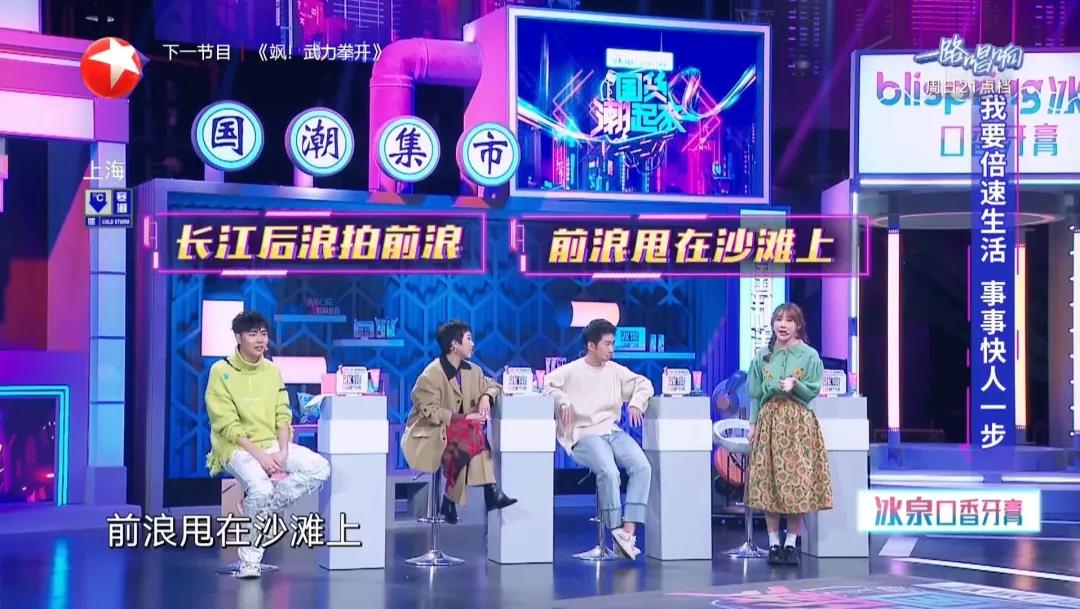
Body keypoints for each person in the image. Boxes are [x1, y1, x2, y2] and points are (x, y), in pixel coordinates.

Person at [205, 310, 331, 579]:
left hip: (272, 442)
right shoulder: (220, 371)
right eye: (253, 334)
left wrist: (283, 450)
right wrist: (261, 457)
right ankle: (250, 560)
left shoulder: (272, 370)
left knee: (319, 467)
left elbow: (282, 414)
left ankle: (262, 509)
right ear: (238, 337)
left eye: (263, 334)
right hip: (235, 447)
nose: (260, 340)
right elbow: (226, 424)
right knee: (260, 488)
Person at [544, 319, 655, 560]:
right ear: (591, 346)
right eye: (607, 344)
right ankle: (615, 530)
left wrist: (636, 403)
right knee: (609, 471)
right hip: (583, 432)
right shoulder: (572, 370)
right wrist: (563, 401)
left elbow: (644, 384)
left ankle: (627, 533)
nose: (611, 349)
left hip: (611, 431)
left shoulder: (615, 370)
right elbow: (548, 384)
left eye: (613, 344)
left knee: (642, 467)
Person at [402, 320, 517, 525]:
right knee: (473, 433)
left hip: (463, 438)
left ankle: (453, 500)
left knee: (470, 435)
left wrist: (486, 397)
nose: (473, 344)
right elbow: (432, 413)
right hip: (431, 435)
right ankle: (485, 492)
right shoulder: (430, 376)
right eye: (469, 339)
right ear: (454, 345)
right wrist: (465, 418)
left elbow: (494, 386)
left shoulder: (473, 371)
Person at [746, 303, 833, 567]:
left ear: (798, 326)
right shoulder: (763, 356)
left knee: (797, 483)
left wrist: (796, 385)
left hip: (798, 424)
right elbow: (755, 394)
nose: (782, 325)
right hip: (769, 420)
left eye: (789, 320)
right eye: (779, 320)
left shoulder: (809, 356)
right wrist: (753, 424)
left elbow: (813, 389)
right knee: (770, 482)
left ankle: (791, 544)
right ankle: (773, 543)